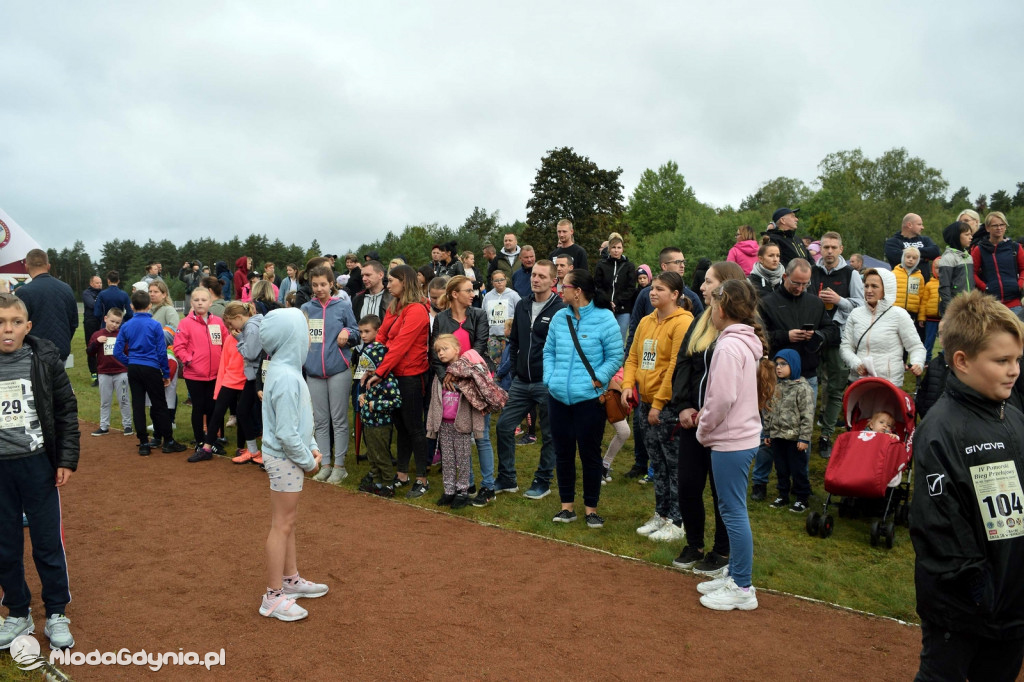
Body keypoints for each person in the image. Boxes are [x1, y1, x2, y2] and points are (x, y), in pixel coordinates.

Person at [910, 290, 1024, 681]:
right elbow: (938, 524)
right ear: (962, 361)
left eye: (1017, 360)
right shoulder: (941, 431)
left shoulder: (1014, 417)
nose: (1014, 371)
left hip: (1012, 606)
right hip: (960, 611)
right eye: (1001, 361)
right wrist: (980, 590)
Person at [0, 293, 80, 651]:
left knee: (47, 542)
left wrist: (65, 459)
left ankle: (56, 612)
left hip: (38, 465)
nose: (8, 329)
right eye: (0, 322)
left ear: (27, 326)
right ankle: (18, 612)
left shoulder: (45, 359)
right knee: (5, 545)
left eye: (15, 322)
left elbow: (65, 411)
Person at [694, 279, 775, 611]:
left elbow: (722, 398)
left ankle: (742, 586)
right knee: (733, 510)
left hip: (732, 440)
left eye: (713, 305)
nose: (710, 311)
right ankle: (737, 574)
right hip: (741, 436)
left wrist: (703, 427)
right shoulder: (742, 341)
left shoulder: (729, 346)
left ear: (723, 309)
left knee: (733, 511)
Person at [668, 260, 746, 574]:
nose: (701, 287)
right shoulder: (701, 320)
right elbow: (684, 364)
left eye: (709, 281)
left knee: (722, 492)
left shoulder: (743, 328)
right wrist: (684, 406)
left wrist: (710, 414)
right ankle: (694, 544)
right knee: (688, 484)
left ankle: (722, 551)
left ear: (726, 286)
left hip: (725, 426)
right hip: (692, 421)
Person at [257, 308, 328, 622]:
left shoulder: (284, 369)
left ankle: (290, 580)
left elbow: (299, 421)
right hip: (285, 459)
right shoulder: (286, 376)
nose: (308, 339)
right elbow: (286, 433)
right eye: (303, 332)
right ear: (292, 338)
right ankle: (273, 597)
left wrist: (310, 447)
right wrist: (308, 461)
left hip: (288, 456)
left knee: (287, 522)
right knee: (282, 524)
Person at [543, 269, 622, 528]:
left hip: (590, 399)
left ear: (577, 291)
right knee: (563, 454)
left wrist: (599, 377)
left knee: (590, 455)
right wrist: (550, 379)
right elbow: (549, 351)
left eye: (564, 286)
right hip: (558, 398)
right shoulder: (559, 317)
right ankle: (566, 507)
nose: (559, 289)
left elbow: (615, 356)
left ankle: (591, 510)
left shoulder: (605, 318)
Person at [621, 271, 693, 542]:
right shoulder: (646, 321)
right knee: (657, 464)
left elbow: (675, 366)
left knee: (674, 465)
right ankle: (661, 514)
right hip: (646, 401)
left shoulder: (683, 322)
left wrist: (659, 404)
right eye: (653, 288)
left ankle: (678, 520)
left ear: (675, 295)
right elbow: (633, 356)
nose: (653, 292)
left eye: (660, 289)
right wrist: (627, 385)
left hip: (669, 406)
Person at [494, 260, 566, 500]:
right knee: (504, 426)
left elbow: (564, 348)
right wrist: (515, 371)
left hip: (547, 383)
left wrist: (553, 377)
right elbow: (514, 341)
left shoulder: (560, 309)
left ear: (553, 281)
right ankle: (507, 478)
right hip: (522, 382)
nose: (535, 279)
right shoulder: (522, 304)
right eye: (534, 275)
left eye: (542, 276)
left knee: (550, 434)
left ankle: (543, 481)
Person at [362, 265, 431, 498]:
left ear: (405, 282)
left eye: (392, 280)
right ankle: (402, 474)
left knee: (414, 427)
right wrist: (371, 366)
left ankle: (422, 478)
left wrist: (380, 372)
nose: (388, 284)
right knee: (401, 426)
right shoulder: (395, 306)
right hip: (393, 373)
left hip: (410, 375)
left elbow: (401, 345)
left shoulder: (417, 310)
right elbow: (381, 336)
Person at [429, 275, 498, 505]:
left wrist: (456, 372)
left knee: (481, 435)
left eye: (472, 290)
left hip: (475, 382)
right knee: (458, 435)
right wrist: (445, 377)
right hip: (450, 385)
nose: (473, 294)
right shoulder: (441, 319)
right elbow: (435, 352)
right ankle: (465, 485)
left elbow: (478, 348)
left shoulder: (479, 315)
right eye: (468, 290)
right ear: (454, 294)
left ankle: (488, 486)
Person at [301, 266, 358, 484]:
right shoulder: (306, 308)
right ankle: (325, 465)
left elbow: (356, 332)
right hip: (314, 372)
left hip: (338, 370)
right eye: (315, 285)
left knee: (339, 420)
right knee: (320, 421)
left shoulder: (343, 306)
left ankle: (340, 467)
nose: (319, 289)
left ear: (331, 284)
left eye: (323, 284)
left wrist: (347, 332)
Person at [810, 231, 864, 459]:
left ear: (841, 249)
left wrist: (839, 301)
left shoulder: (851, 274)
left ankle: (826, 435)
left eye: (834, 247)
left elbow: (861, 306)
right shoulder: (812, 271)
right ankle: (803, 434)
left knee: (834, 389)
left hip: (838, 339)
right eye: (826, 247)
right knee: (809, 386)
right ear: (820, 249)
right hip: (812, 336)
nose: (829, 251)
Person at [114, 290, 188, 456]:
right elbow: (161, 352)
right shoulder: (155, 325)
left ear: (132, 306)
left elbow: (117, 352)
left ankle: (143, 443)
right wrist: (165, 373)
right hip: (151, 367)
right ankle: (168, 440)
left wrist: (130, 362)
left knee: (138, 404)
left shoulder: (126, 325)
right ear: (149, 306)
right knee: (159, 404)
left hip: (134, 368)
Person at [426, 334, 488, 509]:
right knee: (447, 460)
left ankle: (463, 491)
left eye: (445, 349)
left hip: (462, 425)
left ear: (457, 349)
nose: (441, 353)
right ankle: (449, 490)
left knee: (462, 460)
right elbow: (434, 401)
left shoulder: (467, 374)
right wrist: (432, 425)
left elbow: (475, 403)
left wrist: (477, 427)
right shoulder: (439, 376)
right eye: (438, 351)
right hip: (444, 425)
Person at [840, 268, 925, 386]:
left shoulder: (899, 315)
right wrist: (856, 364)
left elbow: (916, 347)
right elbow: (845, 347)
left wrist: (917, 363)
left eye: (874, 286)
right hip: (859, 381)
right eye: (866, 286)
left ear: (887, 289)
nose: (869, 290)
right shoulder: (855, 314)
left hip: (889, 383)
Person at [192, 301, 253, 463]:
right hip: (229, 380)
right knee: (217, 413)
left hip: (246, 381)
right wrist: (218, 389)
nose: (230, 328)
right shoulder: (229, 339)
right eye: (228, 325)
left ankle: (241, 448)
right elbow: (224, 364)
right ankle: (207, 448)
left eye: (231, 324)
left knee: (243, 414)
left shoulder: (251, 335)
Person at [174, 287, 228, 455]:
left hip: (215, 374)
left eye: (203, 300)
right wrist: (189, 360)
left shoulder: (218, 322)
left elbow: (226, 342)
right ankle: (199, 441)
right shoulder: (185, 323)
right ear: (191, 302)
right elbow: (178, 347)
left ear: (210, 303)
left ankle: (211, 441)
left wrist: (224, 363)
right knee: (198, 407)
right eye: (196, 300)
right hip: (195, 374)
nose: (200, 303)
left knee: (212, 407)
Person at [354, 315, 400, 497]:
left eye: (369, 363)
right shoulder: (370, 379)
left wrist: (376, 404)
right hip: (369, 422)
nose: (366, 367)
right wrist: (364, 397)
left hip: (381, 424)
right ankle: (377, 482)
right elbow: (370, 394)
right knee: (372, 456)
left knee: (381, 456)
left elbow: (396, 401)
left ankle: (388, 484)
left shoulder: (388, 380)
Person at [763, 350, 814, 513]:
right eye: (777, 364)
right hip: (777, 436)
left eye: (783, 364)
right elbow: (769, 411)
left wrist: (804, 438)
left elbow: (807, 415)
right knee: (781, 468)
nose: (779, 367)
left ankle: (802, 498)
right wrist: (767, 433)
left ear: (794, 365)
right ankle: (783, 495)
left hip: (794, 439)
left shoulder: (802, 388)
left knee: (798, 469)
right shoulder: (775, 387)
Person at [87, 308, 133, 437]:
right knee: (105, 401)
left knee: (124, 399)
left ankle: (127, 425)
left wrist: (127, 366)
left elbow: (128, 352)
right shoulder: (97, 334)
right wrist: (97, 342)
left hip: (121, 372)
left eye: (117, 323)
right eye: (112, 321)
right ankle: (104, 426)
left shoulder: (122, 335)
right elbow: (89, 352)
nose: (114, 325)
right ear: (105, 319)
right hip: (104, 373)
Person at [971, 211, 1024, 315]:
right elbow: (972, 273)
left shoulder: (1015, 247)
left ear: (1005, 226)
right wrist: (985, 287)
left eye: (1002, 225)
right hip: (991, 304)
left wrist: (1019, 284)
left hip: (1014, 303)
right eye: (995, 225)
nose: (999, 228)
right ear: (987, 228)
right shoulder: (979, 249)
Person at [594, 236, 637, 344]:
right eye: (613, 247)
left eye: (619, 247)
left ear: (622, 249)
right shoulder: (601, 265)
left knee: (619, 339)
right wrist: (608, 300)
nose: (616, 250)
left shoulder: (629, 266)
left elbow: (631, 288)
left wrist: (617, 301)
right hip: (605, 307)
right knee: (604, 338)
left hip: (623, 308)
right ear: (609, 249)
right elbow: (598, 286)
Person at [884, 213, 940, 282]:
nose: (922, 227)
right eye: (919, 224)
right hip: (901, 284)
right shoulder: (892, 242)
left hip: (923, 285)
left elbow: (936, 252)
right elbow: (897, 258)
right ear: (909, 225)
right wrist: (924, 258)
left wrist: (908, 252)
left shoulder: (925, 240)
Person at [482, 271, 521, 367]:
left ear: (506, 280)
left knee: (508, 362)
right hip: (493, 336)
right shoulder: (488, 296)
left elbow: (520, 312)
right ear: (492, 282)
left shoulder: (513, 295)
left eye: (502, 280)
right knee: (494, 363)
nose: (499, 282)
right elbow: (483, 315)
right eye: (496, 280)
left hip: (509, 336)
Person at [937, 221, 975, 316]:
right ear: (956, 237)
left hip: (969, 305)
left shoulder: (968, 257)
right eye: (967, 234)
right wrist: (949, 308)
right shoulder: (948, 258)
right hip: (955, 308)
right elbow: (944, 287)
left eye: (971, 234)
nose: (971, 237)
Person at [600, 367, 630, 483]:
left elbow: (618, 366)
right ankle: (595, 470)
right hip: (591, 393)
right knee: (594, 435)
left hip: (610, 394)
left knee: (624, 432)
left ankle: (604, 466)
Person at [918, 261, 941, 361]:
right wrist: (921, 317)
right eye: (937, 268)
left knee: (946, 341)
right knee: (929, 341)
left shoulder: (949, 284)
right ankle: (926, 360)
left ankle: (943, 360)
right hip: (931, 318)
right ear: (933, 269)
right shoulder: (929, 285)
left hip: (944, 318)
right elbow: (923, 302)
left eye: (942, 268)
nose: (939, 271)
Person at [893, 247, 925, 320]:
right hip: (895, 310)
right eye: (908, 257)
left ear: (918, 260)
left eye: (914, 258)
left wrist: (921, 316)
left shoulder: (919, 277)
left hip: (912, 312)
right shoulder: (894, 273)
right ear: (903, 257)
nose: (911, 259)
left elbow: (921, 296)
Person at [82, 275, 103, 384]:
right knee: (91, 347)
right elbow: (92, 305)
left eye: (100, 283)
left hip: (101, 322)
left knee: (102, 348)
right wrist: (101, 303)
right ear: (91, 283)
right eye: (97, 283)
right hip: (90, 323)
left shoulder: (103, 293)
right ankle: (94, 374)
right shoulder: (87, 293)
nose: (99, 285)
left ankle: (103, 373)